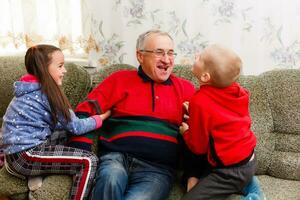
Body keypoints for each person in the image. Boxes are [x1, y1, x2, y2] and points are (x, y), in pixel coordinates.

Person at [68, 30, 196, 200]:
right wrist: (80, 157)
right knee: (110, 180)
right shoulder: (119, 80)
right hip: (116, 157)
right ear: (140, 56)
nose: (167, 59)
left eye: (170, 53)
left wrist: (192, 173)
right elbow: (85, 113)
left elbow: (199, 134)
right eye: (159, 52)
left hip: (157, 168)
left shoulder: (186, 89)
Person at [1, 44, 110, 200]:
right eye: (60, 66)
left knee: (62, 132)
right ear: (44, 69)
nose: (64, 70)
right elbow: (76, 127)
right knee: (89, 160)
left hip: (14, 152)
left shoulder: (28, 88)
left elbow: (58, 124)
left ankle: (35, 171)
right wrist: (100, 118)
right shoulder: (49, 94)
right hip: (25, 155)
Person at [180, 44, 263, 200]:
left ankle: (253, 193)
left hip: (230, 171)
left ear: (205, 77)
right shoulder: (238, 91)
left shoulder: (200, 101)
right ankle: (247, 180)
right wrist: (196, 112)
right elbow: (220, 114)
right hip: (249, 158)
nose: (196, 55)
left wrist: (186, 132)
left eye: (200, 57)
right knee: (190, 177)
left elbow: (198, 147)